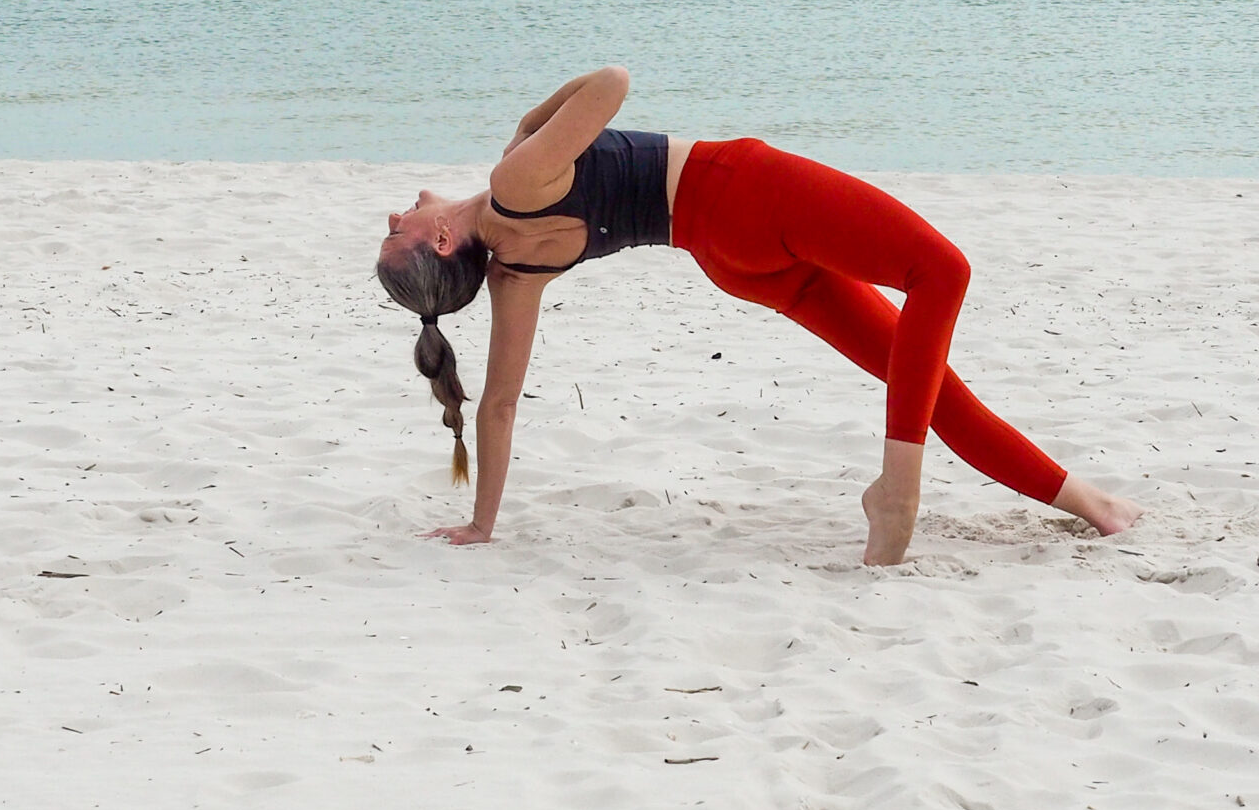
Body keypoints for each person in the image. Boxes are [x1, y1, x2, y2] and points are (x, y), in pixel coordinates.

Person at [374, 66, 1141, 565]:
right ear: (442, 241)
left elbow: (500, 408)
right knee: (941, 271)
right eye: (396, 232)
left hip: (728, 261)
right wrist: (528, 123)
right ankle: (897, 488)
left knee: (927, 381)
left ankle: (1088, 504)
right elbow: (611, 82)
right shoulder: (515, 177)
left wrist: (482, 526)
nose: (393, 212)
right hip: (738, 192)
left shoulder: (516, 274)